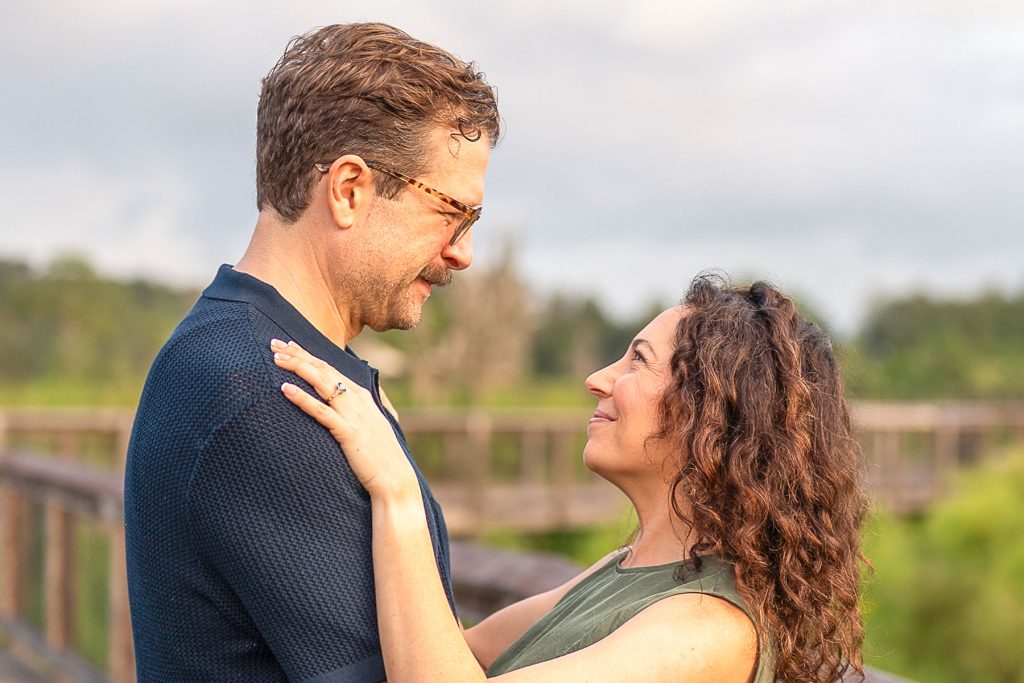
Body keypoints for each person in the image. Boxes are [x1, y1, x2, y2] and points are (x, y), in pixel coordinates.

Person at [123, 23, 499, 681]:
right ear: (349, 188)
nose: (462, 251)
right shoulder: (266, 394)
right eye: (453, 213)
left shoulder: (231, 352)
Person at [271, 275, 868, 683]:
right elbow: (454, 652)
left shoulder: (711, 628)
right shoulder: (628, 571)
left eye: (638, 360)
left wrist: (397, 489)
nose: (597, 378)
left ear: (712, 411)